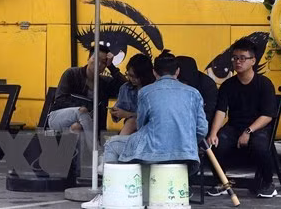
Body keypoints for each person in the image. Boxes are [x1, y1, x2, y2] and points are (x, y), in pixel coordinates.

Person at [84, 51, 208, 209]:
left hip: (154, 152)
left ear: (155, 72)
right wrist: (183, 142)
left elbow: (141, 124)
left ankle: (105, 194)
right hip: (187, 156)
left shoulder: (146, 92)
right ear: (177, 71)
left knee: (112, 144)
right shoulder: (194, 93)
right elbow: (202, 129)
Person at [206, 38, 277, 199]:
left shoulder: (264, 84)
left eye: (243, 58)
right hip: (234, 127)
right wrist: (213, 133)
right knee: (216, 143)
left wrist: (248, 131)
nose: (238, 62)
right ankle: (222, 182)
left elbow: (267, 116)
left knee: (260, 145)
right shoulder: (228, 85)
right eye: (235, 58)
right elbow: (221, 111)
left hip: (258, 128)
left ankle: (268, 183)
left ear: (253, 61)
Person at [47, 45, 125, 150]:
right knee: (82, 111)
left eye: (103, 62)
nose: (98, 64)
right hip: (59, 118)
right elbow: (60, 100)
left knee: (77, 127)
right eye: (95, 59)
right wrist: (87, 107)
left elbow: (126, 87)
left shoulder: (105, 83)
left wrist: (112, 67)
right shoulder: (72, 74)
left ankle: (73, 159)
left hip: (86, 126)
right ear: (88, 59)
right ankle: (96, 150)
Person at [111, 54, 156, 136]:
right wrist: (115, 113)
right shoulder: (125, 88)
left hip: (151, 129)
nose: (132, 79)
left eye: (136, 77)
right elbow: (119, 112)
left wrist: (128, 114)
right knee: (131, 122)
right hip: (131, 131)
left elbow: (153, 116)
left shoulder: (154, 89)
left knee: (132, 121)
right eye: (130, 75)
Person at [176, 55, 218, 125]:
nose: (181, 85)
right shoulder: (170, 83)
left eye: (183, 81)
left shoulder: (207, 85)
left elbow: (209, 113)